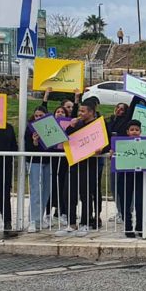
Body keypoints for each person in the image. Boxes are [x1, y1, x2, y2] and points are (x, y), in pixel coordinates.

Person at [60, 98, 108, 237]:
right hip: (75, 163)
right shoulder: (77, 124)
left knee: (86, 194)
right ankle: (71, 223)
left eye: (83, 111)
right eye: (79, 110)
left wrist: (102, 149)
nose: (80, 113)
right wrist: (70, 126)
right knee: (69, 193)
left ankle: (85, 223)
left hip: (90, 165)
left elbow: (108, 142)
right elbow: (66, 138)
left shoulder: (98, 125)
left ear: (91, 112)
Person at [113, 119, 146, 238]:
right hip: (124, 177)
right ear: (127, 131)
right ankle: (128, 227)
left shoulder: (145, 144)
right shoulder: (121, 144)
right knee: (125, 202)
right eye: (132, 130)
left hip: (140, 177)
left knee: (140, 202)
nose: (134, 132)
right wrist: (112, 152)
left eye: (137, 130)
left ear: (140, 131)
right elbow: (113, 153)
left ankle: (140, 226)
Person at [26, 107, 53, 232]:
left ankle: (39, 218)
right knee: (36, 190)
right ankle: (33, 220)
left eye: (41, 115)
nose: (38, 118)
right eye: (36, 115)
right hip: (35, 161)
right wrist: (35, 142)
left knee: (46, 190)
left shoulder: (51, 127)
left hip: (48, 161)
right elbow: (28, 146)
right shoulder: (30, 128)